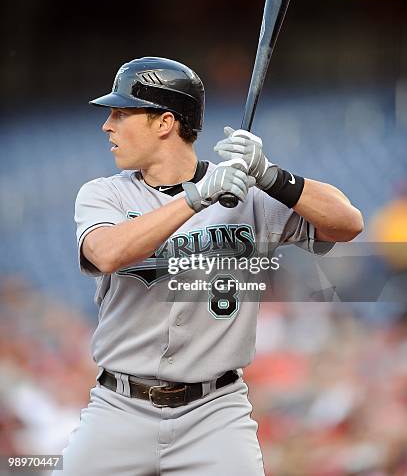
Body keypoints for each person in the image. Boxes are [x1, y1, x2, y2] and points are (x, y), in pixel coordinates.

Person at [60, 56, 363, 476]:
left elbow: (349, 223)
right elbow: (107, 253)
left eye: (121, 113)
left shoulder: (246, 191)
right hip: (119, 407)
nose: (107, 125)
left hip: (215, 414)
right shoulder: (103, 195)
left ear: (164, 122)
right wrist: (196, 197)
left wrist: (272, 176)